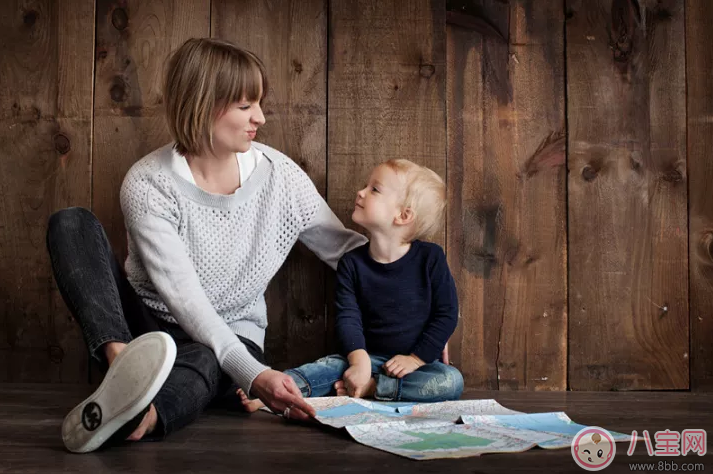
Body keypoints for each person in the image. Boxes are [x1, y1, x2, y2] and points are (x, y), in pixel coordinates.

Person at [46, 37, 367, 453]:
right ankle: (123, 367)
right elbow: (186, 300)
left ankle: (142, 415)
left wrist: (417, 299)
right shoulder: (148, 183)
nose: (261, 118)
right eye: (245, 105)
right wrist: (254, 377)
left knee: (205, 358)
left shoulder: (280, 177)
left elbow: (345, 251)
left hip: (230, 335)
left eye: (259, 103)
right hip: (145, 327)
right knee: (71, 223)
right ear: (204, 104)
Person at [240, 158, 462, 412]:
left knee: (451, 381)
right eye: (366, 186)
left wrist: (416, 359)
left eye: (374, 190)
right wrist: (359, 361)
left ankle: (373, 389)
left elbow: (445, 314)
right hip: (366, 357)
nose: (361, 192)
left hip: (415, 366)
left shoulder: (430, 258)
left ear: (403, 215)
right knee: (325, 368)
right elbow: (348, 317)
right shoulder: (352, 263)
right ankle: (272, 393)